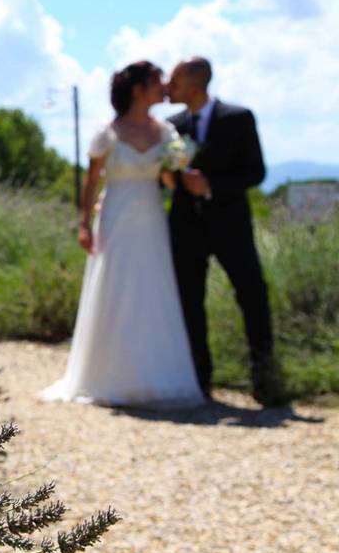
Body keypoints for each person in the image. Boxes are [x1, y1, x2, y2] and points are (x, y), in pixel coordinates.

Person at [42, 61, 204, 408]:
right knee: (116, 287)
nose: (163, 86)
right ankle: (109, 375)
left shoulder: (165, 133)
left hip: (151, 217)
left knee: (153, 289)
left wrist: (180, 170)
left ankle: (155, 377)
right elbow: (91, 180)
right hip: (115, 214)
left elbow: (169, 180)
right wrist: (83, 223)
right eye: (157, 81)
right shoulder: (108, 131)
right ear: (137, 89)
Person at [166, 57, 286, 406]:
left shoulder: (238, 118)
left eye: (174, 80)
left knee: (253, 297)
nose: (169, 88)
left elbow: (256, 172)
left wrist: (211, 185)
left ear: (193, 83)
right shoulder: (171, 126)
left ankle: (264, 379)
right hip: (186, 228)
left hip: (231, 226)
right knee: (189, 303)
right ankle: (199, 382)